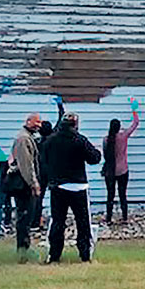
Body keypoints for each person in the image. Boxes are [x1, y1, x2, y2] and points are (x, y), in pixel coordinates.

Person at [41, 112, 101, 263]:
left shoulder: (50, 141)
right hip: (78, 186)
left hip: (58, 186)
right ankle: (84, 254)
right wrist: (97, 151)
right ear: (75, 125)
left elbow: (43, 160)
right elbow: (94, 158)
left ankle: (54, 255)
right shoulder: (79, 140)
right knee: (82, 222)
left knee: (58, 221)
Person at [9, 113, 42, 262]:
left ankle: (24, 248)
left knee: (26, 218)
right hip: (23, 186)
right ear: (28, 121)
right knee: (24, 218)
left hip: (24, 184)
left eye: (40, 122)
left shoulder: (27, 137)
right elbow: (26, 165)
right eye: (36, 122)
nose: (39, 125)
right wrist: (33, 184)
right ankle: (23, 250)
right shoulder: (23, 139)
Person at [102, 99, 140, 224]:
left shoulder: (106, 140)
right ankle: (124, 217)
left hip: (110, 171)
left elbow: (105, 155)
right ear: (118, 127)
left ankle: (108, 218)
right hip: (123, 170)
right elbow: (135, 123)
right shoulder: (123, 136)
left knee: (110, 195)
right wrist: (134, 110)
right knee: (123, 195)